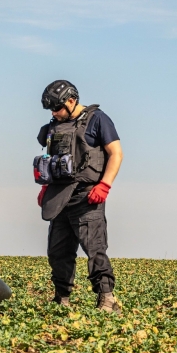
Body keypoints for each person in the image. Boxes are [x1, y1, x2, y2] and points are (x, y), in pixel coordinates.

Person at [35, 80, 123, 313]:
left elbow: (116, 153)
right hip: (59, 197)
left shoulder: (97, 119)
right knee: (58, 252)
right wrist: (45, 187)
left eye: (57, 108)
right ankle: (61, 299)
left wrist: (104, 185)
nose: (54, 113)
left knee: (94, 249)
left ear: (72, 101)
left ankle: (107, 299)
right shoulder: (56, 125)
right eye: (51, 110)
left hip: (87, 196)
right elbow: (52, 162)